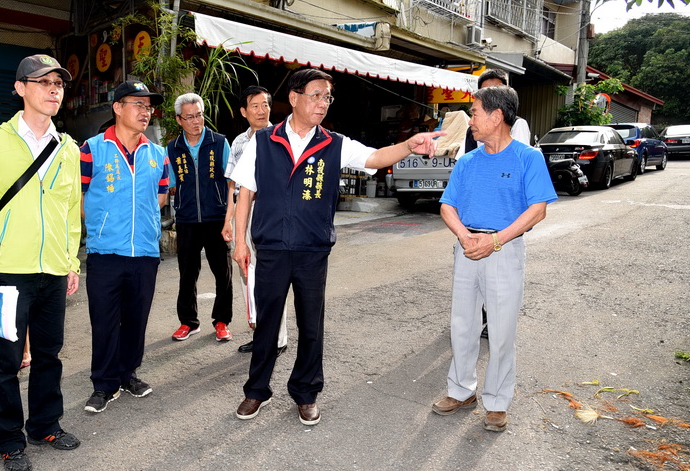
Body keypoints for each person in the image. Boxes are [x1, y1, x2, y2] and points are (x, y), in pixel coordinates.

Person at [230, 68, 445, 426]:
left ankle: (306, 392)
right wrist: (241, 242)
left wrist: (409, 145)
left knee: (311, 324)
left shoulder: (334, 143)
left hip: (313, 250)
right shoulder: (264, 141)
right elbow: (245, 192)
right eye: (315, 95)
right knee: (267, 323)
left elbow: (374, 158)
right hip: (271, 249)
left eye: (327, 97)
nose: (322, 103)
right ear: (295, 98)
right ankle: (256, 391)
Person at [0, 54, 83, 471]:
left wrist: (72, 262)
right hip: (8, 271)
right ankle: (8, 440)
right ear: (20, 89)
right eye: (43, 82)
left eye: (59, 83)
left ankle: (44, 425)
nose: (54, 89)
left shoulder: (67, 148)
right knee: (7, 359)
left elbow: (72, 210)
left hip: (53, 269)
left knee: (49, 353)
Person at [431, 85, 556, 432]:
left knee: (501, 330)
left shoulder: (528, 157)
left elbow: (538, 209)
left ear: (496, 116)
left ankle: (497, 402)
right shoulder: (468, 161)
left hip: (504, 248)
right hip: (467, 246)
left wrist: (496, 239)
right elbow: (447, 205)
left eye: (474, 113)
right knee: (463, 324)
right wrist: (463, 235)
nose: (470, 120)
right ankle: (461, 391)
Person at [79, 80, 169, 413]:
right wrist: (105, 224)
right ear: (117, 107)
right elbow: (79, 198)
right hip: (105, 252)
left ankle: (128, 374)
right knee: (104, 320)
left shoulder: (157, 154)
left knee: (136, 319)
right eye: (138, 105)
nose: (145, 112)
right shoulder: (92, 148)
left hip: (145, 251)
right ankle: (103, 385)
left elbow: (161, 196)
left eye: (149, 107)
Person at [221, 86, 288, 357]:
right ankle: (260, 331)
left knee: (273, 276)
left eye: (265, 104)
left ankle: (278, 338)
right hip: (242, 215)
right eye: (255, 106)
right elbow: (233, 187)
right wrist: (229, 220)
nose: (261, 111)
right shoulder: (238, 142)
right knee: (247, 274)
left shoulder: (282, 137)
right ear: (243, 111)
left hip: (270, 215)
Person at [167, 93, 233, 343]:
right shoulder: (172, 148)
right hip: (186, 220)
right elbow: (171, 185)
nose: (196, 121)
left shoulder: (219, 142)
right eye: (189, 117)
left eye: (199, 115)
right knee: (187, 273)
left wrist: (229, 220)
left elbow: (230, 184)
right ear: (179, 120)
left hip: (216, 217)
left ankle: (222, 321)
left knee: (222, 272)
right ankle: (188, 322)